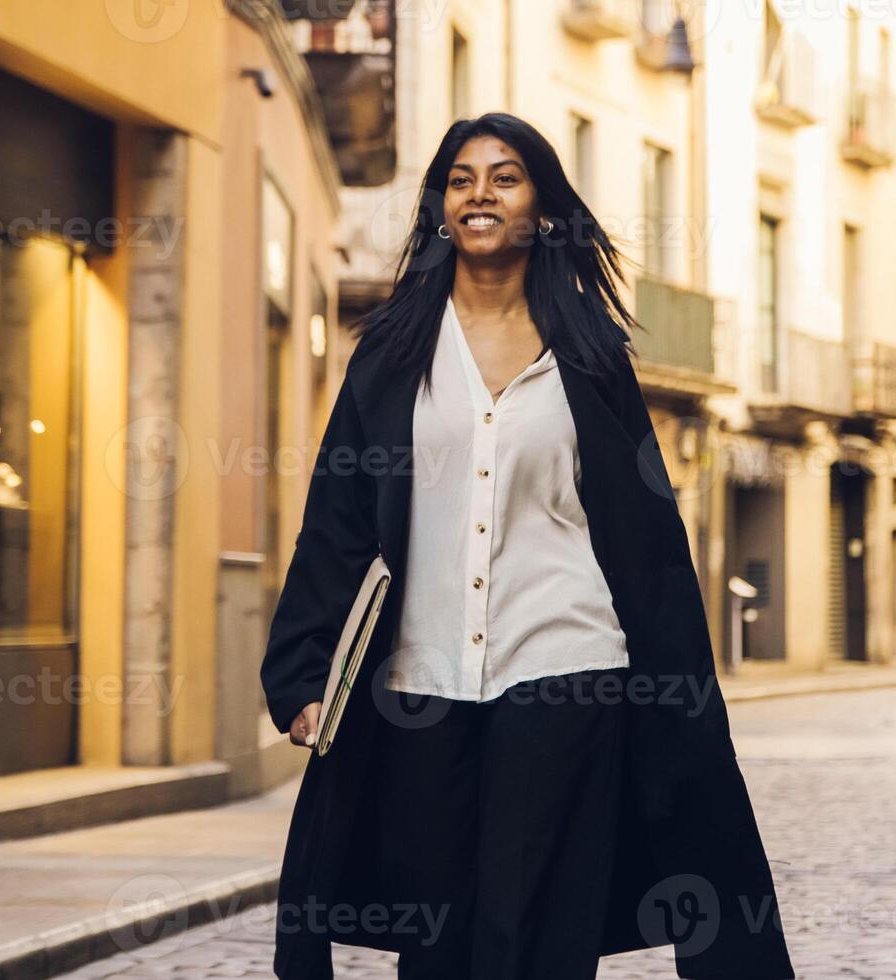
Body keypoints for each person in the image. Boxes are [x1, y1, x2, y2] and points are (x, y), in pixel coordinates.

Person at [261, 112, 794, 979]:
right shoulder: (391, 357)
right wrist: (299, 674)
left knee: (537, 937)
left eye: (505, 177)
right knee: (435, 947)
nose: (481, 193)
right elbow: (337, 523)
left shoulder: (590, 357)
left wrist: (671, 693)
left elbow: (648, 542)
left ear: (541, 208)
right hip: (419, 683)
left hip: (567, 670)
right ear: (441, 209)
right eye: (463, 179)